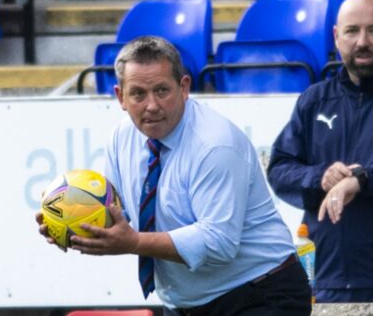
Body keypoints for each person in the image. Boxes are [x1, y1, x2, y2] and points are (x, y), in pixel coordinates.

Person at [37, 36, 311, 315]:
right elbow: (115, 214)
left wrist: (134, 242)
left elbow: (218, 243)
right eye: (138, 94)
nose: (152, 105)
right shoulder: (120, 137)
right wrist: (68, 223)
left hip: (262, 294)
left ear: (184, 87)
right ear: (120, 97)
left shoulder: (215, 144)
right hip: (185, 304)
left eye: (162, 90)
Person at [267, 0, 373, 303]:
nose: (362, 41)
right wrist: (319, 177)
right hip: (325, 283)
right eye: (352, 31)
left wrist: (362, 180)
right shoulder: (314, 100)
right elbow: (280, 170)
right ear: (337, 37)